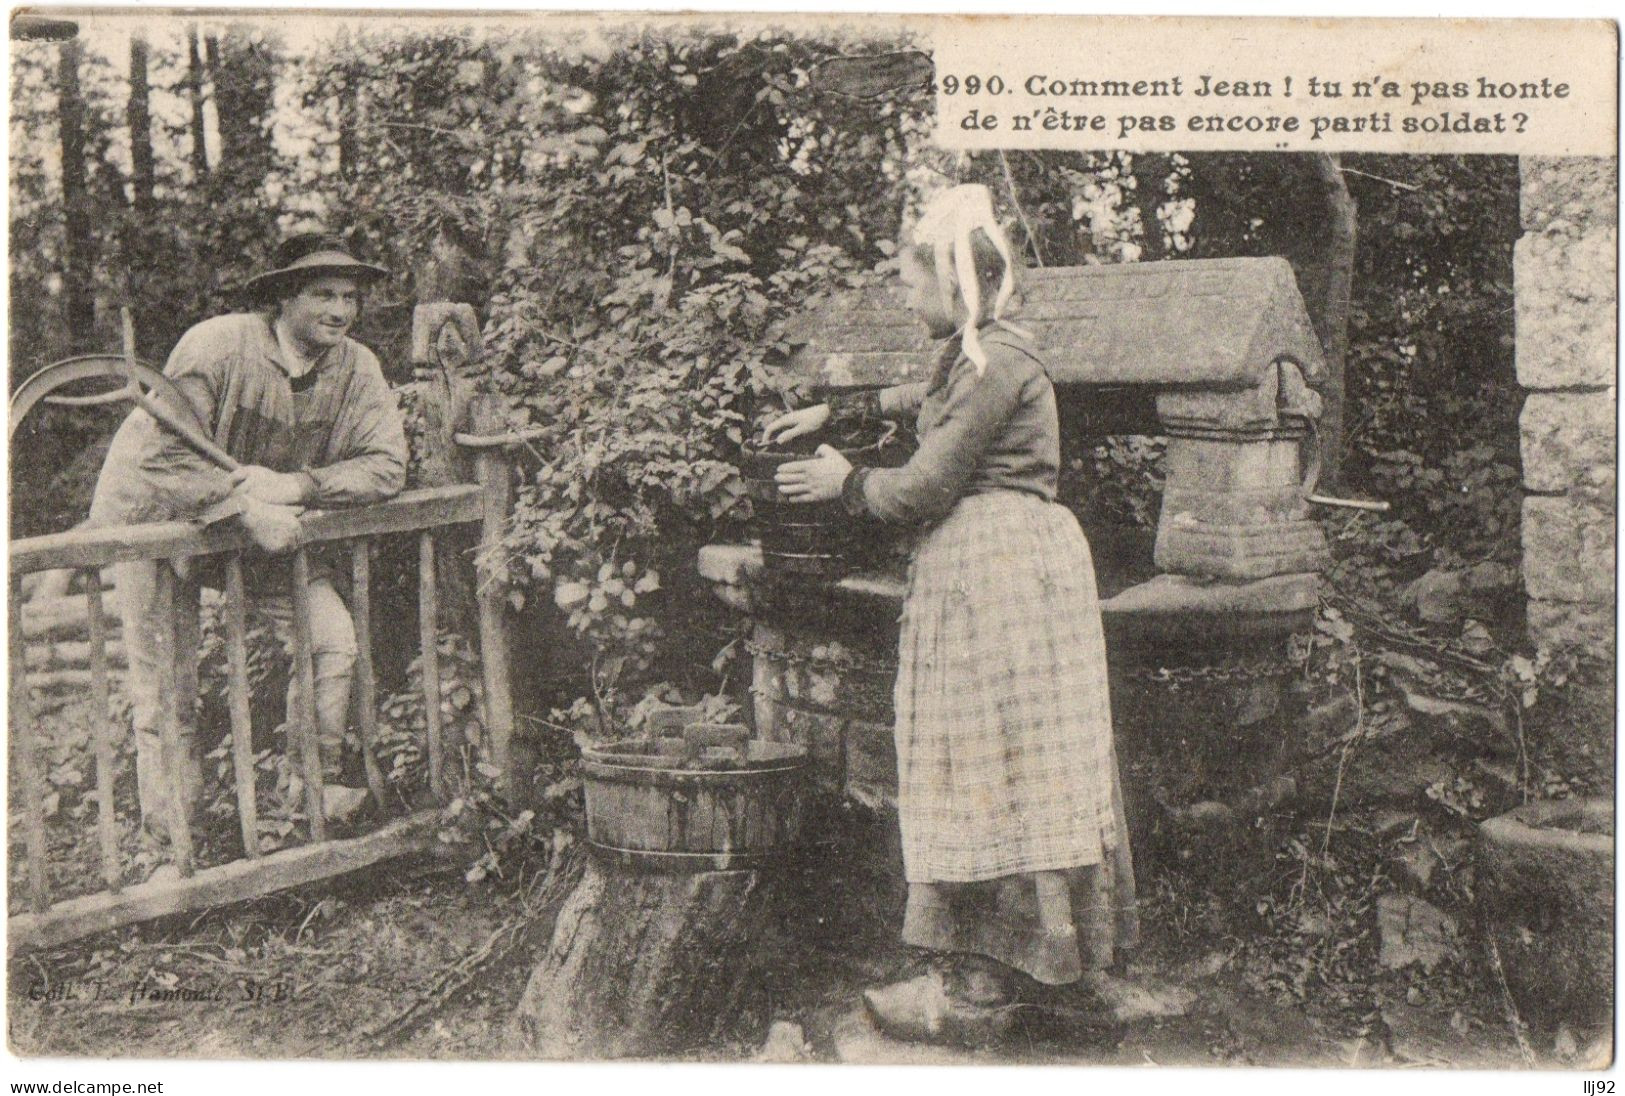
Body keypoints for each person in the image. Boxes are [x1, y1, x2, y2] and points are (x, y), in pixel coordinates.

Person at [766, 185, 1138, 1045]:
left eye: (910, 280)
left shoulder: (993, 363)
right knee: (995, 764)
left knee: (998, 763)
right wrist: (842, 408)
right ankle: (1022, 977)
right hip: (993, 572)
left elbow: (925, 486)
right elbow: (915, 396)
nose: (903, 295)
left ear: (955, 285)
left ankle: (984, 990)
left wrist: (845, 482)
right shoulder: (976, 353)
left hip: (1002, 578)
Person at [88, 232, 409, 842]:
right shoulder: (217, 345)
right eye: (323, 294)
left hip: (262, 525)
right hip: (156, 520)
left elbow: (386, 465)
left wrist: (296, 486)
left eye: (350, 296)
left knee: (332, 642)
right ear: (284, 297)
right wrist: (241, 508)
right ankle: (174, 840)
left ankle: (304, 802)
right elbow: (161, 458)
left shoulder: (357, 366)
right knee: (166, 687)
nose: (340, 310)